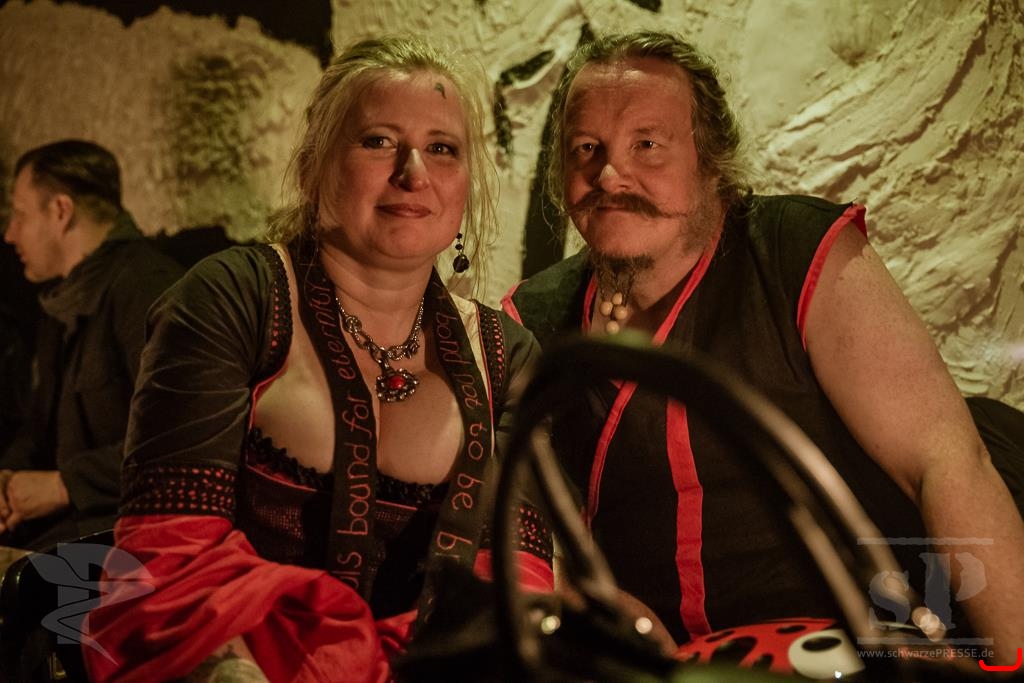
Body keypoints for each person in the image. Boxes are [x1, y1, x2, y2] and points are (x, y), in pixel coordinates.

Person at [502, 31, 1024, 666]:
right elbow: (516, 536)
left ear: (711, 160)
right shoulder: (533, 318)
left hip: (871, 649)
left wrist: (1011, 663)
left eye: (647, 144)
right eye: (586, 148)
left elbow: (945, 463)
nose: (609, 174)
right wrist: (593, 602)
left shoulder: (796, 254)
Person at [84, 36, 553, 682]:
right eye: (379, 141)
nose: (413, 172)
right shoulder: (234, 300)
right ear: (314, 167)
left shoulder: (508, 356)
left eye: (442, 148)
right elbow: (168, 555)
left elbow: (518, 582)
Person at [0, 140, 183, 550]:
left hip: (130, 535)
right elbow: (39, 427)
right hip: (73, 525)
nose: (9, 233)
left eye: (20, 214)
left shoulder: (146, 289)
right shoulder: (63, 301)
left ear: (61, 211)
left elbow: (177, 437)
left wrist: (65, 485)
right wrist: (7, 480)